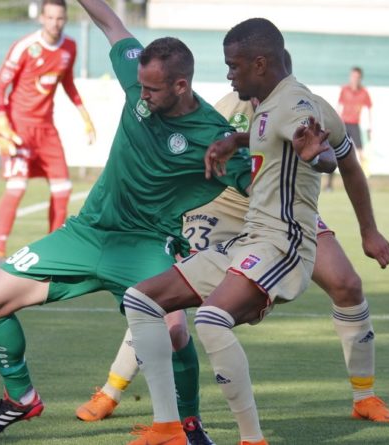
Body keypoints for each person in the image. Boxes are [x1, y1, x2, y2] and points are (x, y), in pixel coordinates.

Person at [0, 0, 252, 442]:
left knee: (175, 331)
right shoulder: (141, 79)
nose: (143, 96)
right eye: (140, 86)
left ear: (180, 85)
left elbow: (259, 182)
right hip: (88, 232)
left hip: (147, 243)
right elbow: (110, 21)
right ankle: (21, 398)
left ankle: (189, 425)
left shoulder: (212, 137)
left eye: (153, 91)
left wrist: (314, 156)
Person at [78, 50, 389, 428]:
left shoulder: (305, 106)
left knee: (347, 284)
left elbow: (336, 160)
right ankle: (112, 389)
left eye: (236, 67)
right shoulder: (226, 106)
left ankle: (364, 396)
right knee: (163, 300)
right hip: (222, 206)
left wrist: (368, 230)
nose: (232, 75)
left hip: (283, 212)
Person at [122, 18, 338, 445]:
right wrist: (234, 142)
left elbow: (317, 146)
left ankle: (251, 439)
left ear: (260, 63)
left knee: (211, 319)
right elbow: (267, 135)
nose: (228, 74)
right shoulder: (265, 106)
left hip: (284, 244)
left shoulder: (295, 105)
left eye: (233, 66)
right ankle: (167, 428)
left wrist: (318, 155)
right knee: (141, 299)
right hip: (248, 241)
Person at [0, 0, 96, 266]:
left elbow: (67, 83)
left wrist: (85, 115)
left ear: (65, 19)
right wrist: (2, 122)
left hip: (47, 129)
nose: (54, 23)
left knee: (63, 188)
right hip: (19, 128)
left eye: (59, 18)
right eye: (49, 17)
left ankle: (52, 249)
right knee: (16, 187)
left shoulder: (69, 46)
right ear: (42, 18)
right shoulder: (25, 47)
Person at [328, 66, 372, 191]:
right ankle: (329, 184)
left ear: (360, 78)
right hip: (343, 125)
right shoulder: (345, 90)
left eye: (356, 77)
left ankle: (364, 183)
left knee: (361, 154)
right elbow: (338, 107)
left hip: (355, 125)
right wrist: (334, 122)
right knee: (334, 153)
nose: (354, 79)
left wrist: (370, 127)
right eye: (352, 76)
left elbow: (369, 109)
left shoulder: (364, 92)